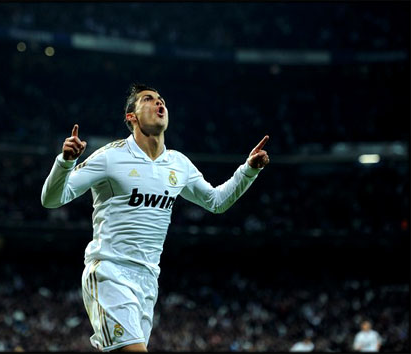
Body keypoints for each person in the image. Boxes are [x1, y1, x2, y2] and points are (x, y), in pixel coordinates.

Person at [41, 83, 270, 352]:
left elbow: (216, 202)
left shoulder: (178, 164)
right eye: (149, 100)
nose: (159, 103)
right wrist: (65, 162)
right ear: (132, 118)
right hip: (109, 273)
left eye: (161, 100)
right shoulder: (111, 156)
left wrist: (249, 170)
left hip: (148, 280)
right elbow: (52, 199)